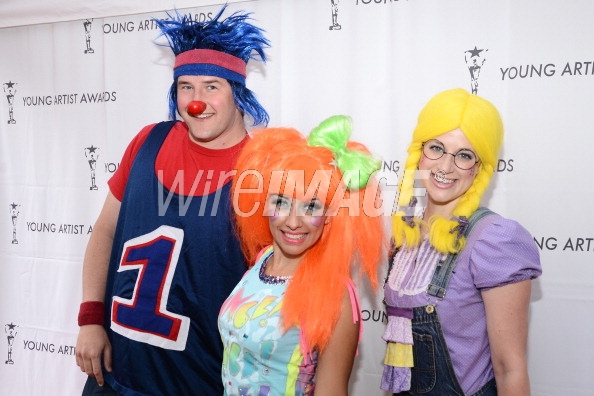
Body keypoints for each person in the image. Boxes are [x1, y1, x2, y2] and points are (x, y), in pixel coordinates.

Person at [74, 6, 270, 395]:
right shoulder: (148, 142)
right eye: (186, 87)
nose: (197, 102)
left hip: (199, 380)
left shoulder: (261, 169)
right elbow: (106, 229)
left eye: (212, 86)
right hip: (116, 374)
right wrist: (90, 318)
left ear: (238, 94)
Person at [381, 88, 542, 396]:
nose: (446, 166)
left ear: (479, 168)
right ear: (419, 151)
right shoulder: (406, 233)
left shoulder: (494, 240)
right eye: (437, 148)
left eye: (464, 155)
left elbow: (511, 369)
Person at [219, 115, 388, 395]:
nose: (293, 222)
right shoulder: (263, 258)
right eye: (281, 202)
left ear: (330, 216)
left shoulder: (336, 295)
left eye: (311, 206)